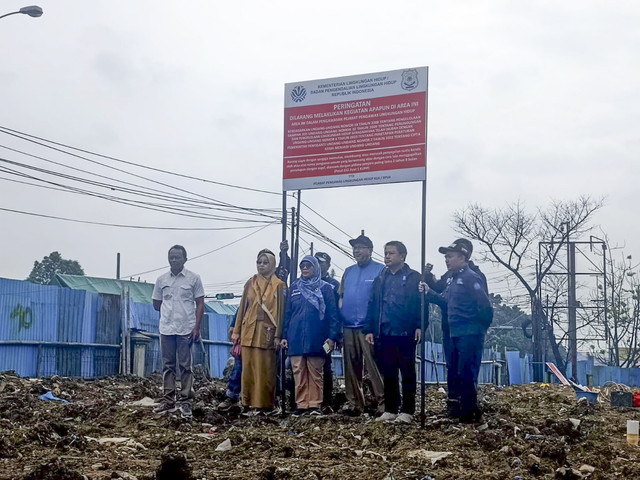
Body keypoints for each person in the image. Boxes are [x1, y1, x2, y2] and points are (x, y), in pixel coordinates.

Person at [421, 238, 493, 423]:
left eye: (450, 256)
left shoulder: (471, 277)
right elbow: (446, 302)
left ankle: (470, 413)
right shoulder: (452, 279)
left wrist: (478, 329)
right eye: (446, 257)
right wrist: (429, 292)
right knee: (454, 369)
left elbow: (484, 307)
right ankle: (456, 409)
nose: (447, 260)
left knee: (466, 372)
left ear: (463, 257)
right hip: (454, 332)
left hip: (469, 333)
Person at [219, 242, 291, 413]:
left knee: (265, 370)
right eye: (259, 262)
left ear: (272, 264)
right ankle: (246, 402)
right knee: (247, 369)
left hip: (267, 333)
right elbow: (242, 307)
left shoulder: (279, 285)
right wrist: (236, 330)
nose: (261, 265)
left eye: (265, 262)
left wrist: (278, 335)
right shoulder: (250, 283)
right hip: (248, 331)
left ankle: (265, 404)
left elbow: (281, 313)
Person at [364, 241, 422, 423]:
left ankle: (408, 411)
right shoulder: (381, 278)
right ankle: (390, 409)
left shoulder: (414, 277)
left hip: (406, 333)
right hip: (385, 332)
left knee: (407, 372)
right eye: (385, 252)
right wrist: (370, 329)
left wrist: (420, 325)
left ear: (402, 256)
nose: (387, 256)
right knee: (388, 373)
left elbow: (422, 304)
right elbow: (372, 304)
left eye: (391, 253)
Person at [281, 256, 340, 416]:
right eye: (303, 266)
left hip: (317, 337)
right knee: (298, 371)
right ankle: (301, 405)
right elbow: (288, 314)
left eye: (308, 266)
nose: (305, 269)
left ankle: (314, 405)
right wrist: (284, 335)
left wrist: (333, 337)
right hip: (296, 337)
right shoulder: (294, 287)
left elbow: (333, 314)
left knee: (315, 372)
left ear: (316, 268)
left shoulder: (325, 288)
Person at [151, 245, 205, 419]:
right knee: (168, 366)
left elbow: (200, 303)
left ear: (185, 259)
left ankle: (186, 401)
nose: (174, 260)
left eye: (177, 257)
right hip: (166, 328)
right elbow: (156, 304)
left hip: (185, 330)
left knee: (185, 366)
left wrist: (196, 327)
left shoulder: (194, 279)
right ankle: (168, 400)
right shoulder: (161, 280)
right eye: (171, 257)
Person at [339, 234, 385, 416]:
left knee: (374, 367)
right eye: (354, 247)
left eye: (361, 247)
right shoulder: (348, 271)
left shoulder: (380, 270)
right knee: (351, 368)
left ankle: (383, 404)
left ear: (370, 250)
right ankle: (355, 405)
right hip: (348, 326)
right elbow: (341, 296)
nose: (357, 250)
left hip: (368, 327)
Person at [314, 251, 340, 411]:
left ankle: (326, 401)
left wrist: (336, 334)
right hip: (310, 330)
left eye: (322, 262)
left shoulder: (334, 285)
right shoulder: (305, 282)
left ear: (328, 265)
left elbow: (336, 311)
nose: (318, 265)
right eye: (316, 261)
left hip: (326, 332)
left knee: (325, 365)